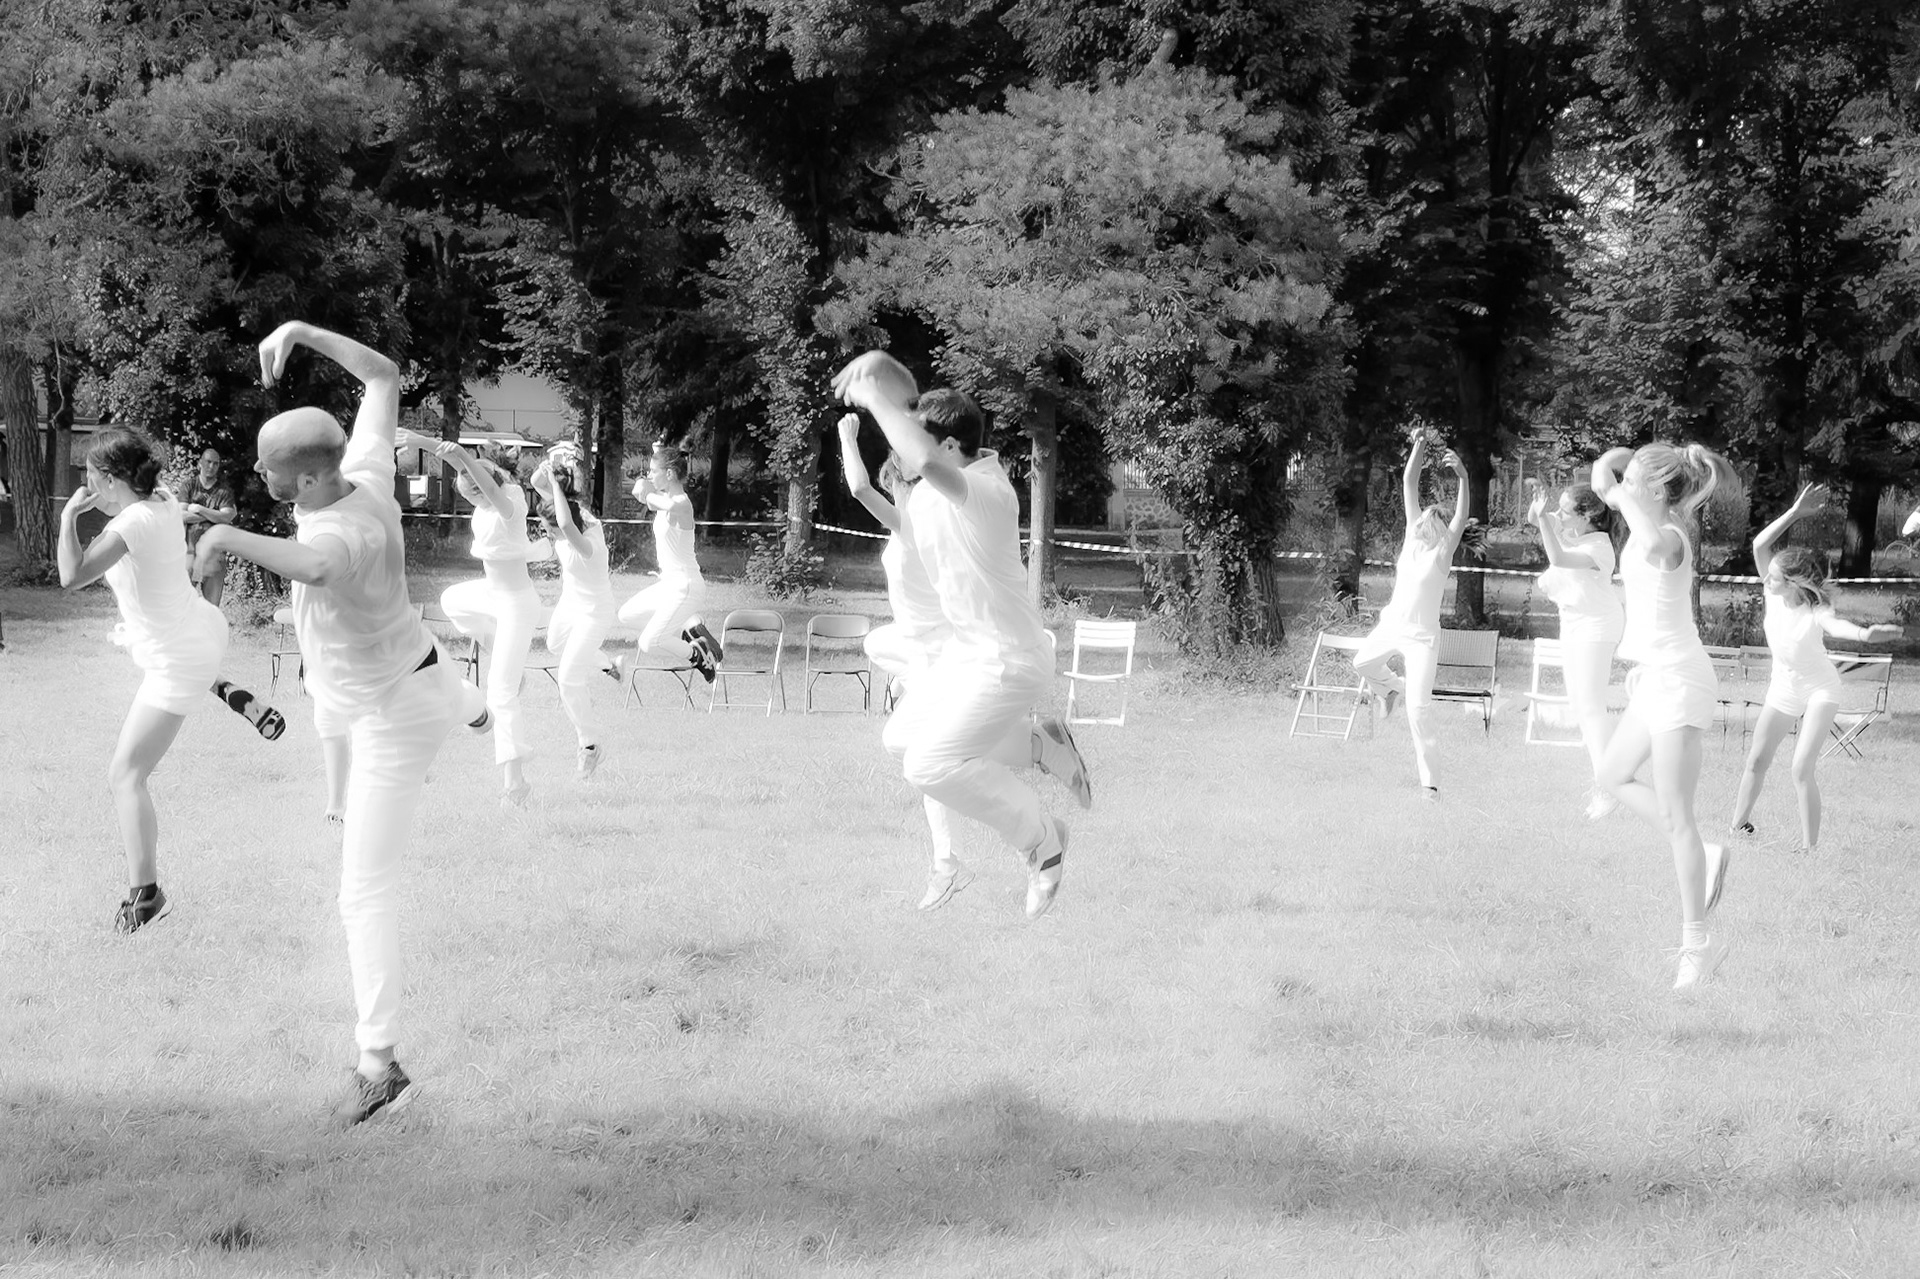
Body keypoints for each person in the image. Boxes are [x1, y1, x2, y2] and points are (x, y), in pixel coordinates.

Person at [194, 320, 489, 1127]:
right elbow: (385, 375)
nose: (258, 473)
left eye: (268, 467)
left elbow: (319, 564)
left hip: (394, 713)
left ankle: (379, 1065)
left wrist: (223, 534)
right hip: (408, 668)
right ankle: (476, 707)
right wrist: (298, 331)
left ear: (305, 478)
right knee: (439, 689)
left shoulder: (341, 530)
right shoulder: (361, 473)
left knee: (363, 890)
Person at [832, 352, 1092, 919]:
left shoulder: (987, 492)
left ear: (951, 447)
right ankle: (1038, 743)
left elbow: (922, 454)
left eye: (922, 446)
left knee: (927, 764)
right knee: (900, 739)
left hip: (1008, 660)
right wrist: (885, 379)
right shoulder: (927, 498)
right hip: (965, 658)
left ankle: (1042, 840)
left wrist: (872, 395)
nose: (906, 455)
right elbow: (900, 456)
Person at [58, 429, 232, 932]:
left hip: (177, 657)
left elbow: (71, 575)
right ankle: (218, 684)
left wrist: (69, 517)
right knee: (142, 652)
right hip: (199, 629)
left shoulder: (132, 522)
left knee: (125, 775)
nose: (86, 482)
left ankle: (145, 896)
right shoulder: (163, 499)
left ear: (111, 479)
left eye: (90, 474)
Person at [1590, 441, 1737, 991]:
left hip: (1679, 680)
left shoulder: (1670, 534)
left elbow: (1650, 541)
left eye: (1636, 480)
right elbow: (1603, 477)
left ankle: (1696, 948)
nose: (1624, 488)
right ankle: (1707, 852)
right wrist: (1619, 465)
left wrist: (1625, 492)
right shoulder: (1649, 518)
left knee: (1678, 819)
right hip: (1656, 676)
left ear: (1654, 489)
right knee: (1611, 774)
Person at [1728, 484, 1902, 852]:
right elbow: (1759, 545)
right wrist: (1794, 512)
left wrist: (1865, 635)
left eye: (1774, 576)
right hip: (1783, 687)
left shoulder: (1815, 610)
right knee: (1756, 760)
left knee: (1800, 769)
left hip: (1820, 689)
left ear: (1792, 582)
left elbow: (1837, 627)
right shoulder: (1772, 595)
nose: (1766, 579)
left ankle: (1809, 850)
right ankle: (1738, 826)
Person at [1353, 433, 1471, 798]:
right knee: (1361, 663)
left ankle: (1430, 785)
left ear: (1437, 530)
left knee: (1418, 711)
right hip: (1393, 625)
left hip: (1422, 638)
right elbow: (1409, 481)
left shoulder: (1441, 554)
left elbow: (1461, 518)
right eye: (1420, 520)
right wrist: (1418, 446)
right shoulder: (1411, 538)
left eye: (1427, 521)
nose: (1419, 523)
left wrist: (1464, 477)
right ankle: (1390, 688)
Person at [432, 441, 550, 807]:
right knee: (451, 599)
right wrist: (425, 444)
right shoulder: (487, 496)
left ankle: (515, 784)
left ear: (484, 489)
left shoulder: (508, 504)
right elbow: (468, 470)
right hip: (492, 593)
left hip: (516, 604)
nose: (470, 501)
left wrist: (464, 457)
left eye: (472, 495)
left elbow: (482, 482)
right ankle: (508, 662)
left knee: (500, 694)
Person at [835, 413, 950, 705]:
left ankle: (924, 692)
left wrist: (848, 439)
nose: (890, 493)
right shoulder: (936, 522)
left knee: (875, 643)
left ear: (903, 485)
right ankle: (907, 693)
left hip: (927, 639)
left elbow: (860, 488)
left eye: (891, 486)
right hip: (929, 636)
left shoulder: (908, 524)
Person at [1527, 481, 1626, 817]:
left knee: (1591, 707)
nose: (1559, 515)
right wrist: (1542, 510)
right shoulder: (1575, 532)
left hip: (1597, 626)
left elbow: (1557, 556)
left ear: (1587, 516)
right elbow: (1535, 518)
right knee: (1581, 706)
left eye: (1565, 510)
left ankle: (1609, 786)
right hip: (1573, 624)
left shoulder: (1599, 547)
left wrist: (1545, 519)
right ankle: (1609, 778)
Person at [530, 442, 621, 779]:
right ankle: (609, 664)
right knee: (555, 643)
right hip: (571, 603)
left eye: (547, 527)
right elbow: (535, 482)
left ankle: (590, 745)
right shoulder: (575, 513)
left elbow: (565, 525)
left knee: (568, 678)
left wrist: (555, 485)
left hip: (595, 611)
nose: (545, 531)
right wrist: (550, 468)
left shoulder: (588, 542)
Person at [617, 443, 723, 680]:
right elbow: (653, 496)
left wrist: (645, 492)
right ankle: (689, 625)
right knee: (627, 615)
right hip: (668, 584)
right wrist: (654, 459)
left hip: (686, 586)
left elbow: (663, 503)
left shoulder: (682, 504)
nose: (650, 475)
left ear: (670, 474)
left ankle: (697, 653)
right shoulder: (664, 497)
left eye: (653, 471)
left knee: (649, 642)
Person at [181, 446, 238, 605]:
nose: (211, 466)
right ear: (200, 462)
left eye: (215, 463)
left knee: (212, 607)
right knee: (182, 603)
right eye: (208, 462)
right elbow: (181, 515)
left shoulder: (224, 492)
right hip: (189, 553)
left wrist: (200, 509)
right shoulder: (189, 486)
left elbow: (226, 517)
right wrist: (214, 515)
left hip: (215, 555)